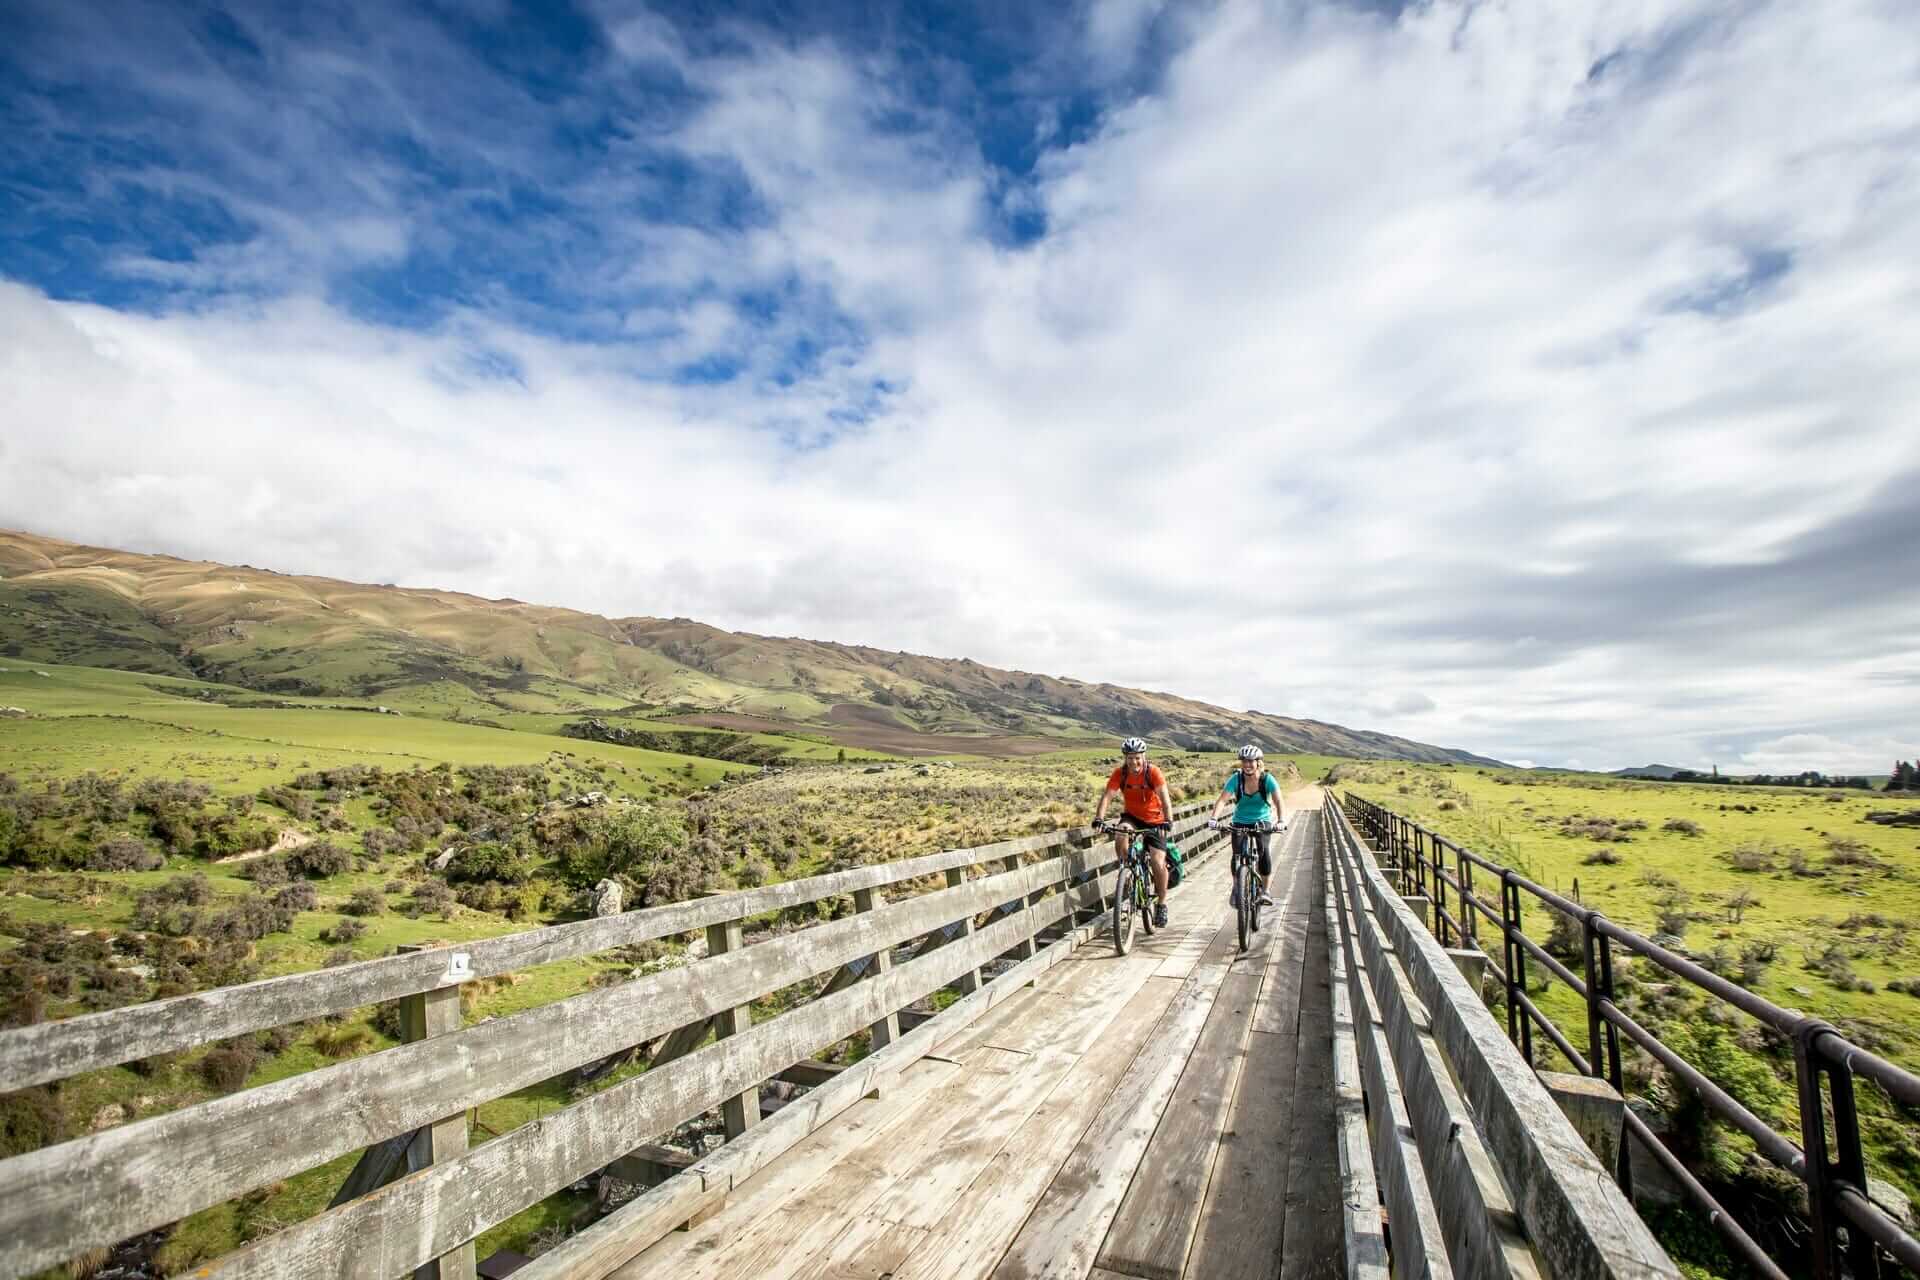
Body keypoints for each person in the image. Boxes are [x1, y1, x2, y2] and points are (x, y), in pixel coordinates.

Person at [1093, 737, 1175, 927]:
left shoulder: (1153, 772)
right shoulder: (1120, 774)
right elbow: (1107, 797)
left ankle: (1161, 903)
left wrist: (1168, 821)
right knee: (1121, 832)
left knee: (1157, 861)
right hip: (1132, 817)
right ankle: (1127, 870)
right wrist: (1099, 818)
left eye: (1137, 758)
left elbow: (1165, 798)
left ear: (1143, 756)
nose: (1134, 762)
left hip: (1156, 820)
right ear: (1125, 758)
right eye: (1130, 758)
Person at [1208, 744, 1286, 908]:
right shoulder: (1236, 779)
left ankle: (1265, 891)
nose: (1247, 765)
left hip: (1262, 820)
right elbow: (1223, 799)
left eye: (1251, 761)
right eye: (1244, 761)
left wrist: (1280, 821)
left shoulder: (1267, 779)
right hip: (1240, 820)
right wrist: (1214, 818)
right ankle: (1237, 887)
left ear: (1258, 762)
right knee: (1236, 855)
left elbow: (1278, 801)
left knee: (1263, 853)